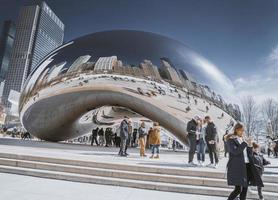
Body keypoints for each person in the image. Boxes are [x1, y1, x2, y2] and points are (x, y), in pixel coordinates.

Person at [225, 123, 264, 200]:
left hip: (247, 166)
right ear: (237, 130)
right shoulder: (231, 140)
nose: (243, 132)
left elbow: (248, 154)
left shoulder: (243, 139)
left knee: (245, 188)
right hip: (238, 167)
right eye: (241, 130)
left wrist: (249, 146)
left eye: (243, 130)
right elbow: (235, 152)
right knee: (238, 189)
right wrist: (245, 143)